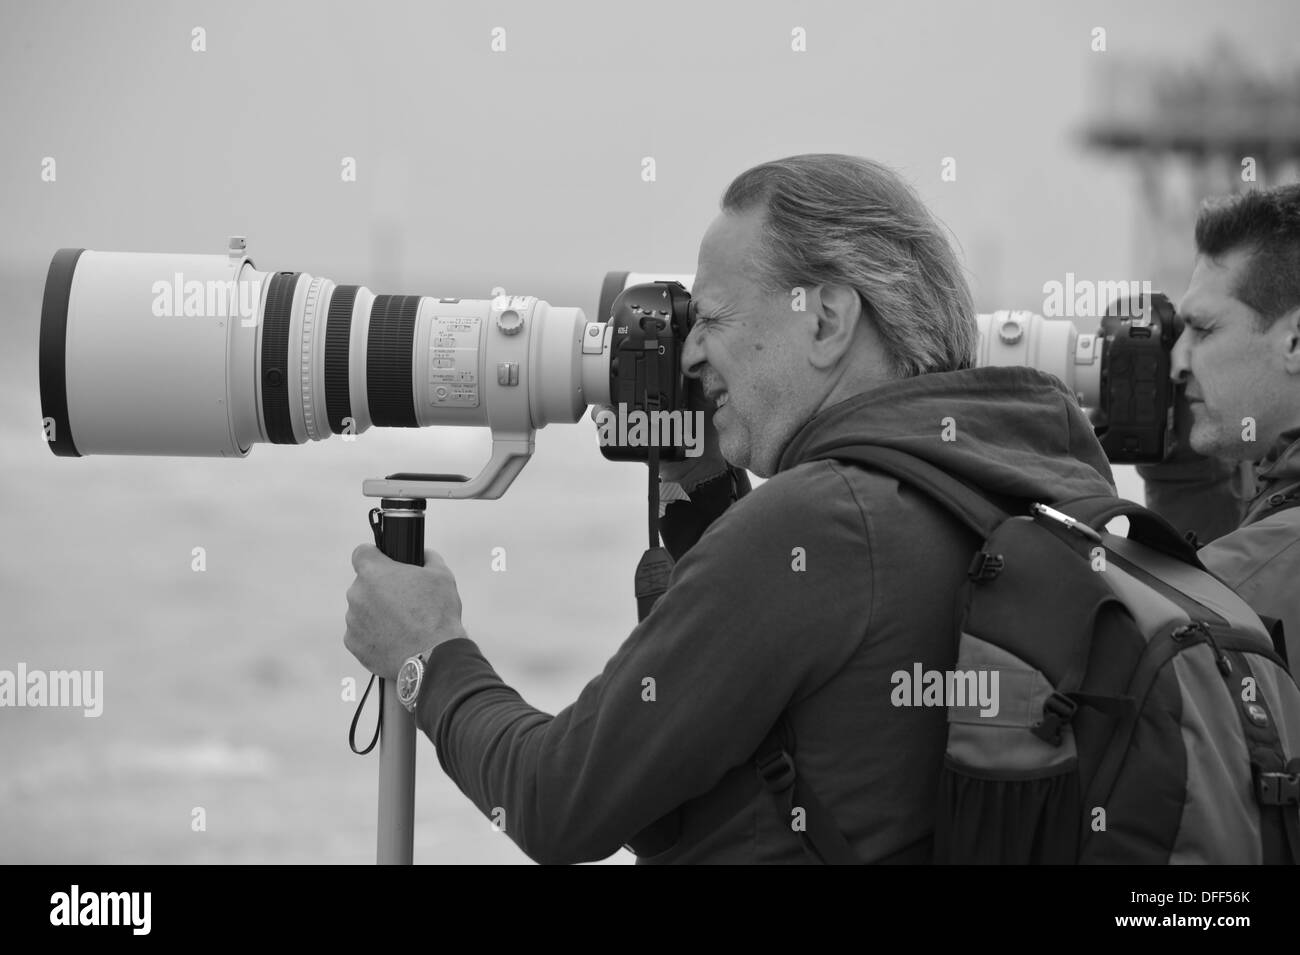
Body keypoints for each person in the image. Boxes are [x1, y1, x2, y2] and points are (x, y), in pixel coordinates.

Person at [343, 154, 1117, 864]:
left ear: (825, 319)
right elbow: (686, 780)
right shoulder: (1032, 482)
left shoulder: (815, 526)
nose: (686, 355)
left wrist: (427, 654)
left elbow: (552, 802)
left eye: (712, 319)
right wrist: (707, 515)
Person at [1142, 184, 1300, 666]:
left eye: (1204, 329)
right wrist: (1185, 474)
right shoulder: (1274, 508)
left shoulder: (1269, 561)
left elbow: (1147, 643)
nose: (1175, 361)